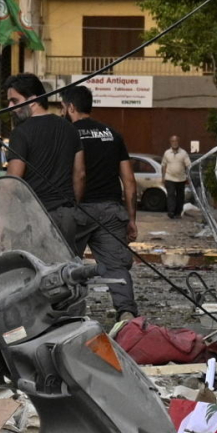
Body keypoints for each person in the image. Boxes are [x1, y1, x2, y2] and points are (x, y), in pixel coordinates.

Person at [60, 84, 137, 318]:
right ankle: (127, 316)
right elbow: (129, 181)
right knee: (116, 267)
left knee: (67, 266)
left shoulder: (67, 134)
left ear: (71, 106)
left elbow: (75, 174)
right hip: (111, 211)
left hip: (78, 211)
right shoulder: (113, 135)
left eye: (63, 106)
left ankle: (68, 317)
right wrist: (131, 219)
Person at [2, 72, 79, 212]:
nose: (9, 107)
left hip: (35, 216)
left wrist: (0, 224)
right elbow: (80, 174)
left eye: (15, 101)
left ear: (32, 101)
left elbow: (12, 182)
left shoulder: (20, 133)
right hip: (67, 215)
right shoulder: (70, 129)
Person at [160, 136, 193, 217]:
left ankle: (178, 212)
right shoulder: (167, 153)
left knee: (180, 197)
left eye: (176, 141)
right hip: (169, 178)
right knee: (170, 195)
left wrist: (188, 176)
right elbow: (163, 165)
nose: (174, 143)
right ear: (170, 142)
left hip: (181, 179)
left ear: (178, 142)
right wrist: (163, 177)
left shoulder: (183, 153)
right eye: (173, 141)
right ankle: (171, 212)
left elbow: (189, 165)